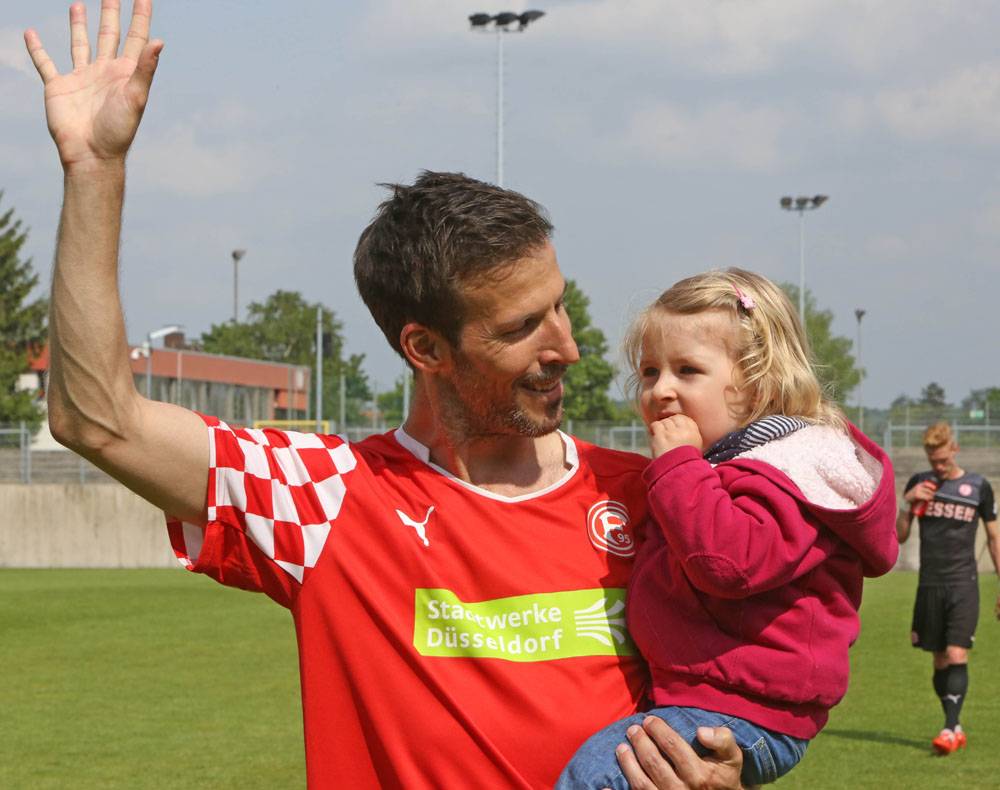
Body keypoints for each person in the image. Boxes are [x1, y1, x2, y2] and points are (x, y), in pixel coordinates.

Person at [24, 2, 747, 787]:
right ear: (424, 348)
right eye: (522, 327)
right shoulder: (325, 499)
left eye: (560, 306)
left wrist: (728, 764)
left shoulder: (651, 496)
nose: (566, 348)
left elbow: (765, 683)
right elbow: (96, 420)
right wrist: (96, 171)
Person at [557, 269, 899, 788]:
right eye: (649, 372)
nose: (660, 390)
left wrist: (678, 465)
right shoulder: (723, 468)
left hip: (743, 711)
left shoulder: (786, 472)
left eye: (687, 370)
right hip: (712, 700)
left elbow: (727, 563)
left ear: (760, 382)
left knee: (597, 774)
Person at [896, 421, 1000, 755]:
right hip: (930, 584)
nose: (938, 467)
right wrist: (907, 503)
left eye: (942, 459)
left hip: (963, 583)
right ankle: (953, 725)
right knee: (940, 660)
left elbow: (995, 537)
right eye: (932, 461)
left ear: (954, 449)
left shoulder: (978, 487)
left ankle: (949, 727)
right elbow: (899, 535)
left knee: (957, 652)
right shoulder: (920, 484)